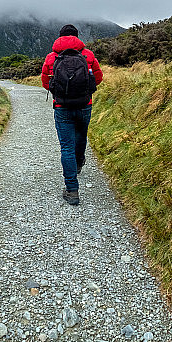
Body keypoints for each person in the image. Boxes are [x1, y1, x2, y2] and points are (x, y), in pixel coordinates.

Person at [41, 24, 103, 206]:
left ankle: (72, 190)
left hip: (61, 107)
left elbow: (46, 82)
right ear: (77, 37)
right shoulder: (88, 55)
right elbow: (98, 79)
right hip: (85, 104)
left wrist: (60, 93)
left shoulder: (52, 57)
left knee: (66, 147)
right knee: (81, 136)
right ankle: (78, 162)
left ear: (59, 37)